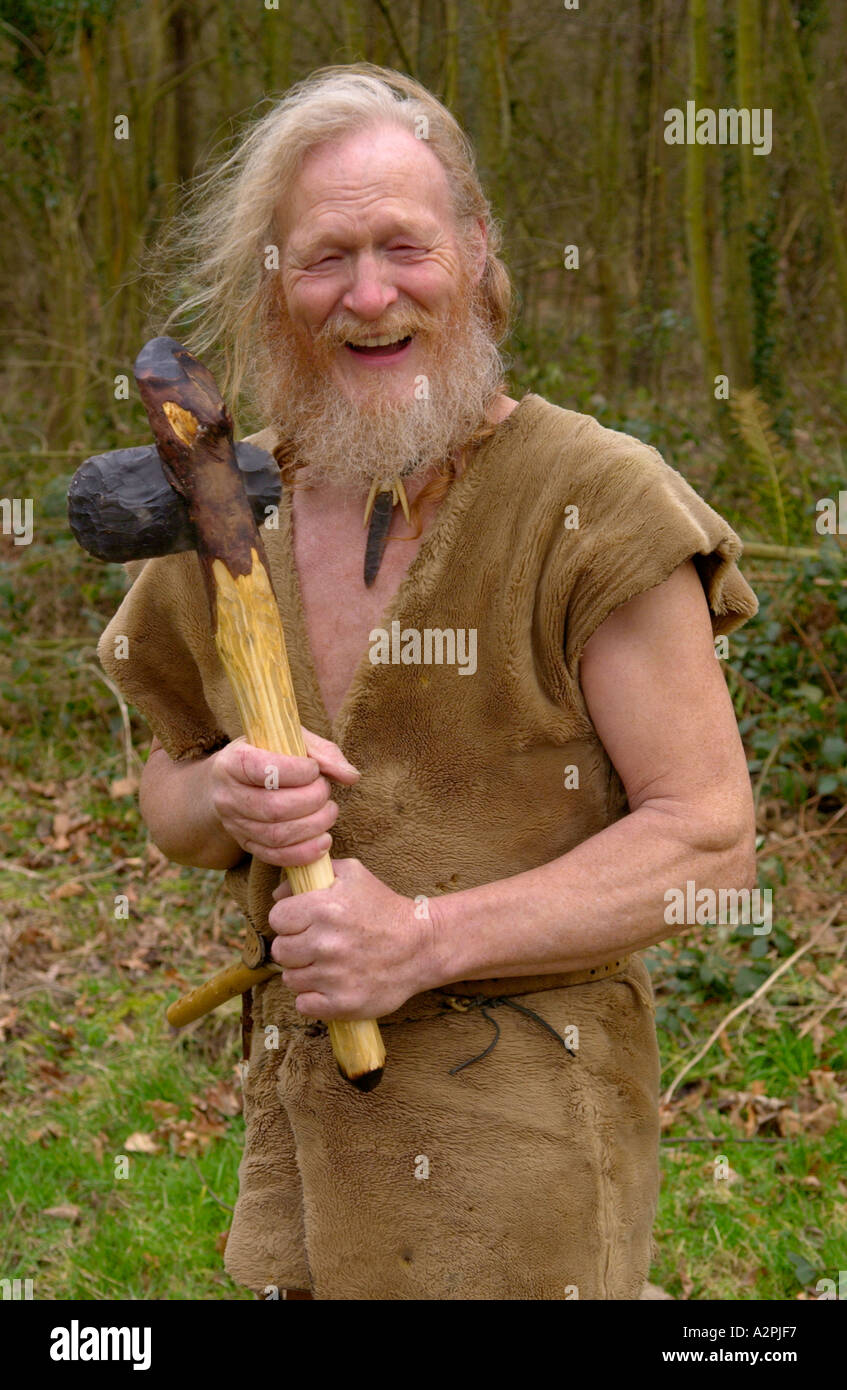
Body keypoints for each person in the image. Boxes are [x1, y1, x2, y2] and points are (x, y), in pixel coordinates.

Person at [99, 64, 758, 1300]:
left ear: (478, 253)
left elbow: (710, 845)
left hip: (523, 1160)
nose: (367, 294)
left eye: (404, 245)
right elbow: (167, 790)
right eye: (322, 258)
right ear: (272, 284)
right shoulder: (227, 500)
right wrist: (222, 799)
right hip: (299, 1168)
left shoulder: (594, 503)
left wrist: (422, 939)